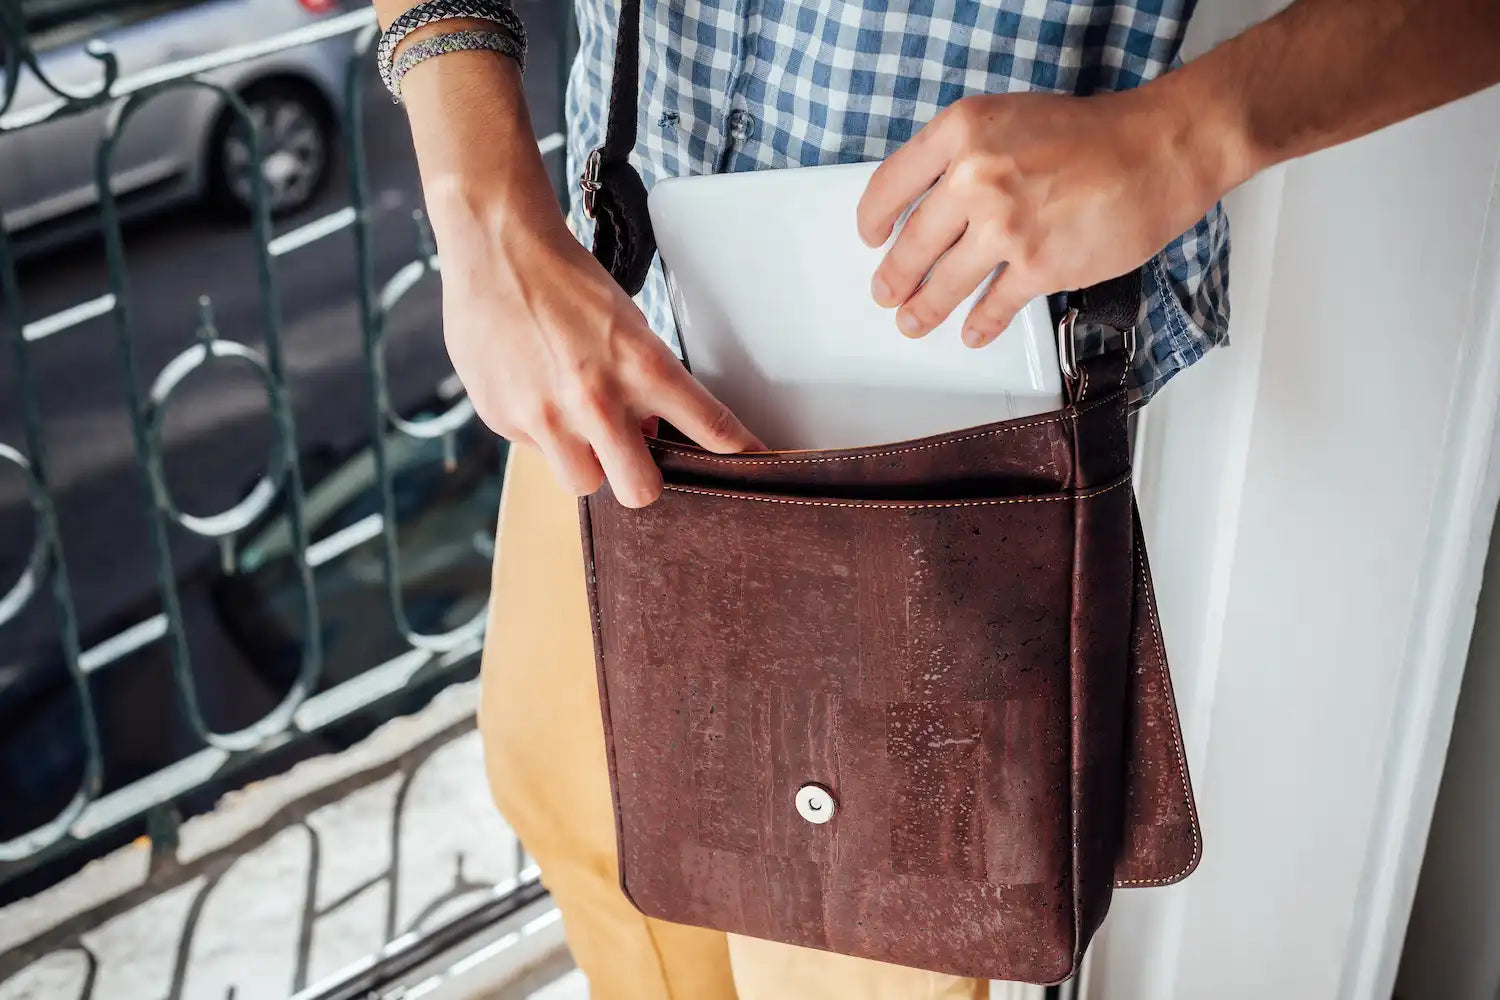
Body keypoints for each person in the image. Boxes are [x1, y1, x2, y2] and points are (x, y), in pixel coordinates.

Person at [370, 0, 1500, 994]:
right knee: (587, 841)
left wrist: (1187, 137)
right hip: (606, 354)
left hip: (932, 461)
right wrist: (481, 210)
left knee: (852, 968)